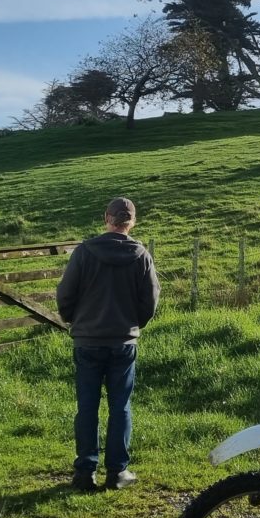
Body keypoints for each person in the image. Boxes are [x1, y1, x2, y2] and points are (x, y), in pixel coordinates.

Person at [56, 197, 160, 491]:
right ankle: (117, 472)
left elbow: (65, 294)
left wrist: (75, 321)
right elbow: (150, 301)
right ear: (132, 222)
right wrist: (133, 324)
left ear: (107, 218)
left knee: (86, 406)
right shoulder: (141, 255)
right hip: (122, 341)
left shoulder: (84, 252)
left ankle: (84, 472)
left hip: (87, 340)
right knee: (120, 406)